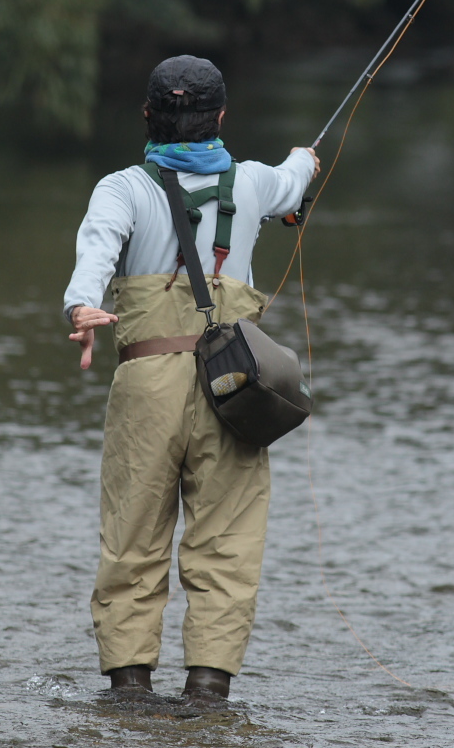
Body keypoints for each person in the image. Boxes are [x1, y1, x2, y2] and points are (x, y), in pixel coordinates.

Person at [64, 55, 320, 697]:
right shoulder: (257, 184)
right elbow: (298, 175)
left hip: (146, 383)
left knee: (132, 537)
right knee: (227, 542)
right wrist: (306, 159)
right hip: (233, 386)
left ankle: (129, 696)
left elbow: (97, 248)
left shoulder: (121, 188)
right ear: (221, 118)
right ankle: (207, 696)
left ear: (149, 115)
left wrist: (80, 306)